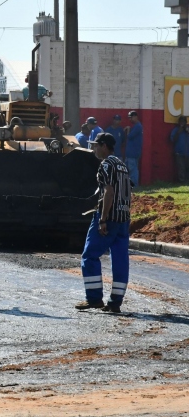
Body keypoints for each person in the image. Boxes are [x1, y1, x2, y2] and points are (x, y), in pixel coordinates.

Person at [75, 133, 131, 313]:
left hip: (109, 218)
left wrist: (103, 219)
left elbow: (109, 192)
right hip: (123, 219)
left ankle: (94, 298)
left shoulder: (106, 165)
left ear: (104, 146)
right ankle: (115, 302)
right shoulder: (122, 165)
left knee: (89, 256)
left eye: (96, 146)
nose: (93, 149)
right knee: (120, 260)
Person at [122, 110, 143, 186]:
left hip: (133, 153)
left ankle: (134, 186)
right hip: (130, 153)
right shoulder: (135, 126)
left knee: (133, 170)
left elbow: (130, 136)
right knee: (128, 170)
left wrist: (128, 130)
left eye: (131, 117)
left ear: (135, 117)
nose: (130, 119)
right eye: (129, 118)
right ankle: (129, 186)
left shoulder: (138, 126)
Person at [170, 115, 189, 183]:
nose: (182, 123)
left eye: (183, 122)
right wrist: (178, 132)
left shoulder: (187, 130)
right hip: (179, 152)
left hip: (187, 152)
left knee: (187, 167)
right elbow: (172, 140)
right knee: (181, 168)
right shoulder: (176, 130)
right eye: (181, 122)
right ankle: (182, 181)